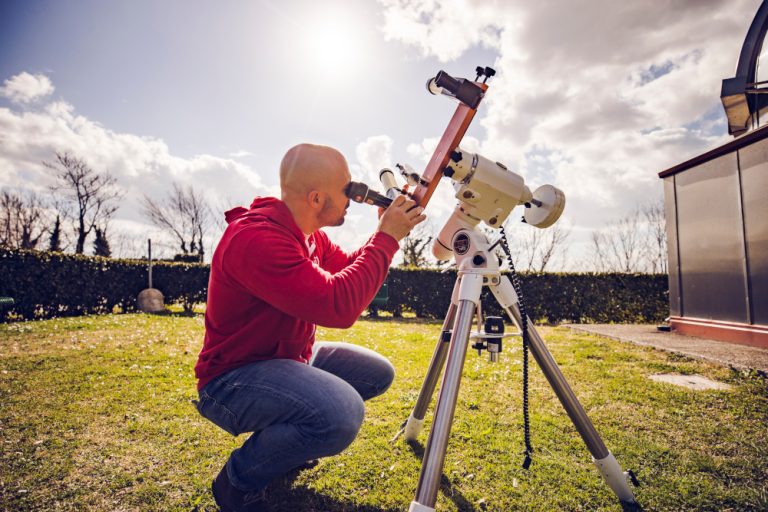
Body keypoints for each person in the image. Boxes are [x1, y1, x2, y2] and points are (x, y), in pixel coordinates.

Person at [194, 143, 426, 511]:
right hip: (232, 379)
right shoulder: (256, 239)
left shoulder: (307, 234)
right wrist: (387, 237)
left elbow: (350, 268)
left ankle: (284, 451)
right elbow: (338, 306)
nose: (354, 197)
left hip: (283, 359)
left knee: (375, 374)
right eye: (347, 190)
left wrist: (385, 233)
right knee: (342, 413)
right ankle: (237, 481)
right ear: (317, 198)